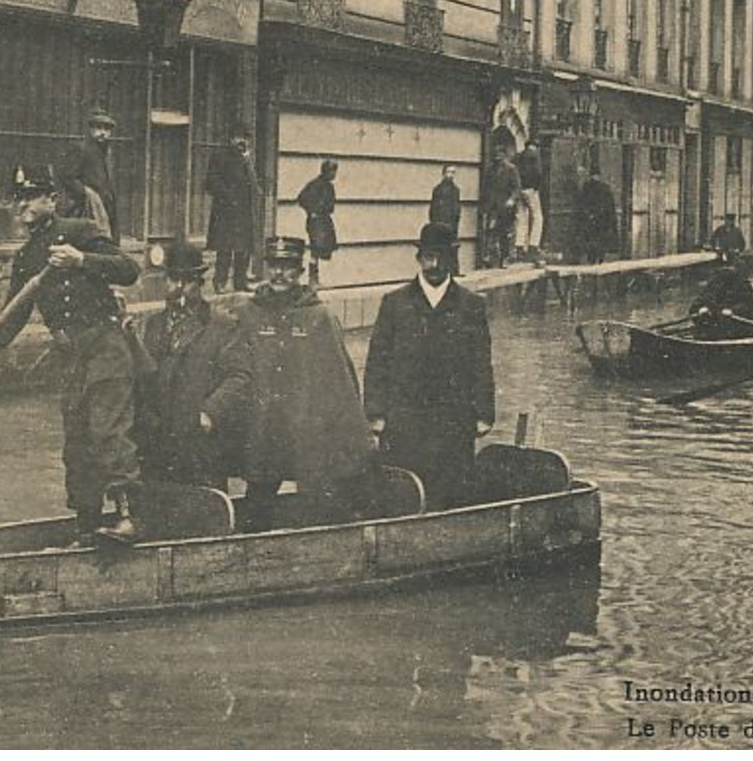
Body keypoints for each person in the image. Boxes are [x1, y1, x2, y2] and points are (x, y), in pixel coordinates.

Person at [0, 164, 143, 544]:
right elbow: (9, 321)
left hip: (105, 349)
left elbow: (129, 270)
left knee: (108, 432)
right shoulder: (26, 258)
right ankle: (88, 525)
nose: (22, 207)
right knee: (77, 442)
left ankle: (129, 518)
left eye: (31, 198)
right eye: (17, 200)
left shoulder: (80, 232)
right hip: (70, 359)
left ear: (52, 200)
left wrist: (82, 260)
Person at [230, 236, 374, 532]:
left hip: (306, 427)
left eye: (287, 267)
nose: (279, 274)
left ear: (299, 271)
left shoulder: (318, 316)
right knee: (257, 503)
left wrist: (353, 433)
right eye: (273, 266)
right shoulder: (247, 314)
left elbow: (339, 378)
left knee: (317, 502)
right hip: (264, 426)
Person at [364, 223, 495, 510]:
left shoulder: (471, 305)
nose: (433, 265)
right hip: (404, 419)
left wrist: (483, 413)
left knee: (452, 492)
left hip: (453, 420)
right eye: (427, 257)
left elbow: (481, 363)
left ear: (451, 258)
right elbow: (377, 362)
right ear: (418, 259)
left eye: (441, 256)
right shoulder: (395, 303)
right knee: (403, 493)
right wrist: (375, 414)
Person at [129, 242, 251, 490]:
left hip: (201, 439)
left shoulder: (222, 325)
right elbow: (144, 377)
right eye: (172, 280)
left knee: (204, 507)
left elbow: (238, 377)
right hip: (159, 437)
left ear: (200, 282)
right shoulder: (153, 325)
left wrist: (210, 412)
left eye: (187, 281)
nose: (178, 289)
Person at [206, 126, 259, 293]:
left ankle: (240, 282)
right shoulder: (219, 156)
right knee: (225, 249)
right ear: (230, 139)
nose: (241, 141)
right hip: (226, 211)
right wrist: (228, 196)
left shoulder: (246, 159)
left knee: (243, 249)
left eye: (245, 138)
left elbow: (254, 184)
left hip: (243, 212)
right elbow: (211, 181)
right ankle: (220, 282)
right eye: (237, 137)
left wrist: (247, 162)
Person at [61, 107, 120, 242]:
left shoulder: (108, 153)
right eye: (98, 128)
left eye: (106, 129)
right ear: (91, 130)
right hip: (86, 207)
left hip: (106, 205)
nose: (102, 133)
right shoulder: (81, 149)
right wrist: (86, 192)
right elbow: (68, 177)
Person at [689, 254, 753, 340]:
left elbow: (747, 306)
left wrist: (733, 311)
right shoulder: (714, 283)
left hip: (737, 329)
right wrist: (701, 308)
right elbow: (699, 302)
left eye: (729, 267)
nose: (726, 270)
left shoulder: (743, 283)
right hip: (715, 327)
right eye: (724, 267)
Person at [296, 159, 339, 289]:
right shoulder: (316, 184)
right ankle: (312, 280)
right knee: (316, 249)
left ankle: (315, 279)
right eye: (333, 171)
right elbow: (302, 198)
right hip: (317, 222)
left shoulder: (328, 185)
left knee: (321, 249)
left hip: (324, 220)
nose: (334, 175)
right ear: (327, 171)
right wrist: (312, 211)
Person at [482, 144, 521, 267]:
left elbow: (517, 188)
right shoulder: (490, 169)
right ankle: (489, 257)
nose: (497, 157)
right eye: (495, 155)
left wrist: (511, 200)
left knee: (504, 233)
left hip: (505, 207)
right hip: (492, 206)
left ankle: (505, 258)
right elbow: (485, 187)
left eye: (500, 155)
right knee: (490, 231)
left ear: (504, 155)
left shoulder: (511, 169)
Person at [575, 164, 618, 265]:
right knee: (601, 241)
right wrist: (612, 222)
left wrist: (586, 216)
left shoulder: (586, 187)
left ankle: (592, 260)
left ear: (591, 175)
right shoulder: (605, 188)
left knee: (591, 240)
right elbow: (610, 207)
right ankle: (600, 260)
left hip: (590, 219)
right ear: (599, 175)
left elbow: (582, 203)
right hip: (602, 220)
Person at [514, 141, 544, 261]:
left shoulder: (518, 156)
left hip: (519, 190)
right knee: (538, 217)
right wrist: (536, 187)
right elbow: (538, 173)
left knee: (521, 217)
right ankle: (533, 246)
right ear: (535, 147)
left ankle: (519, 246)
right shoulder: (534, 156)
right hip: (531, 189)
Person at [429, 164, 462, 275]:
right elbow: (433, 208)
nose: (451, 175)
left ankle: (453, 270)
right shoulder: (437, 190)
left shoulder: (456, 190)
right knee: (439, 247)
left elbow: (457, 208)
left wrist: (455, 222)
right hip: (439, 222)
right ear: (443, 174)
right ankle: (439, 269)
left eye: (453, 173)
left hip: (451, 223)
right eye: (448, 172)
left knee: (452, 247)